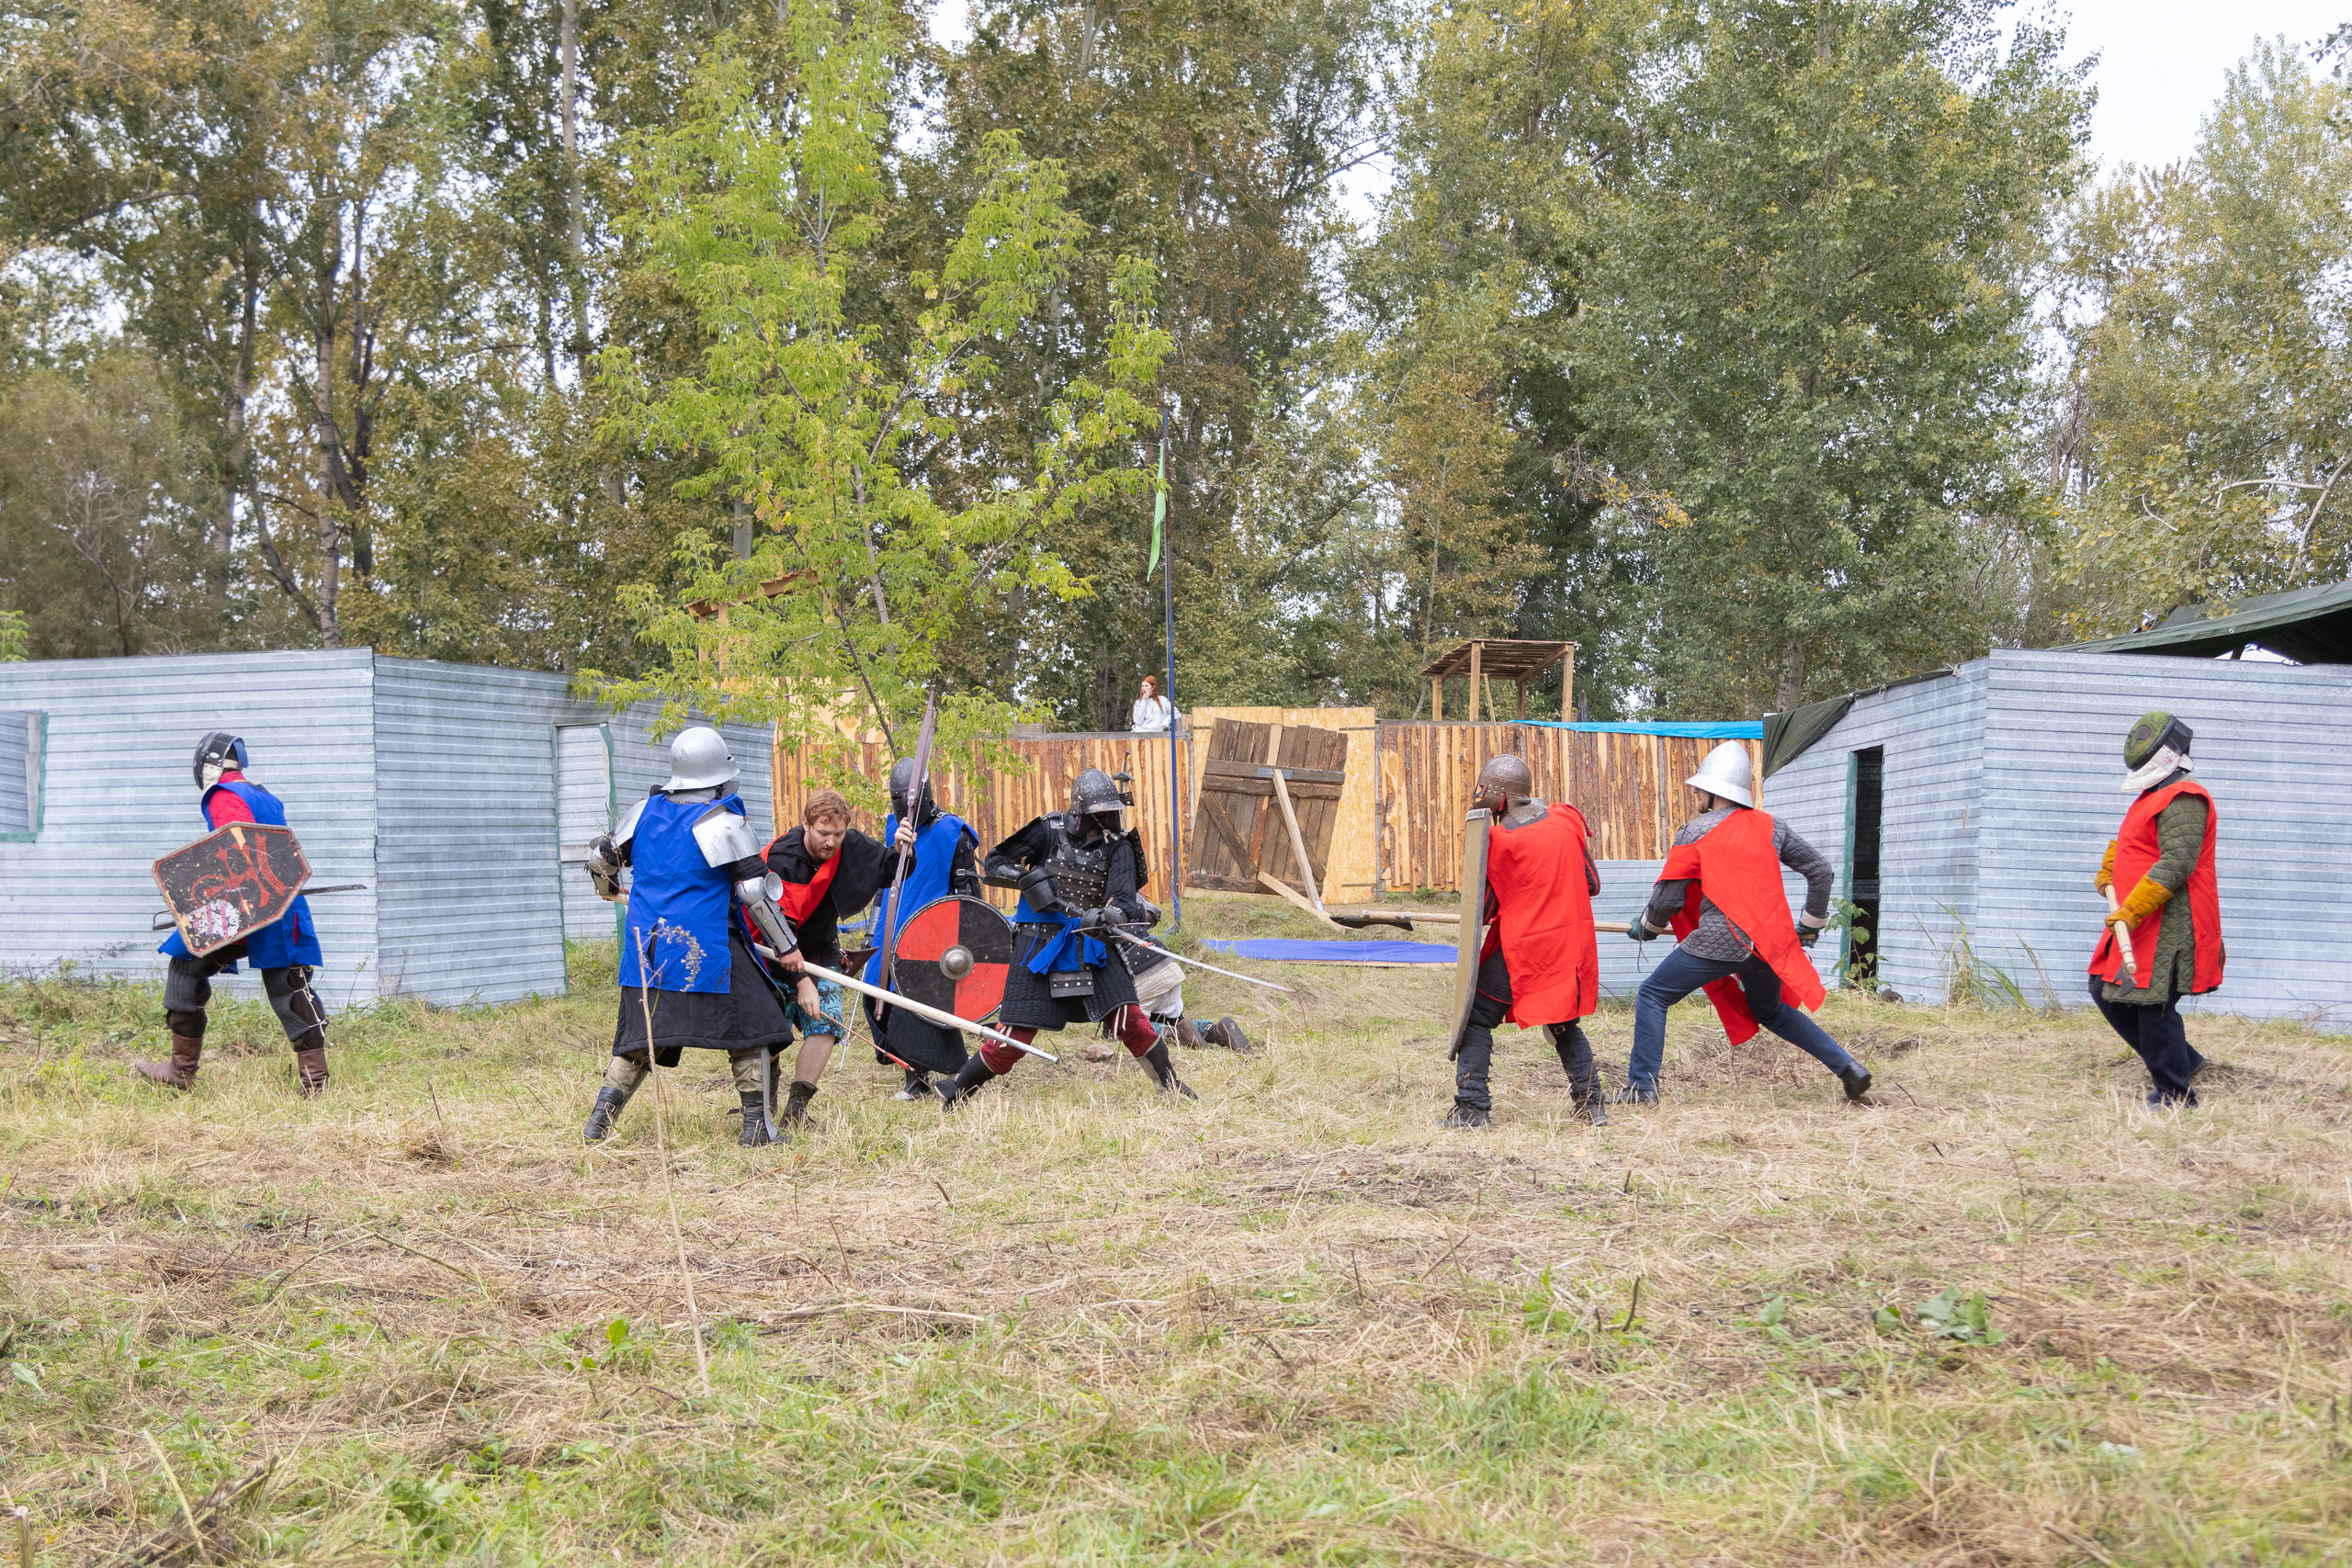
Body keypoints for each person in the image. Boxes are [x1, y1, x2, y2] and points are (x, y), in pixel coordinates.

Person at [579, 727, 804, 1147]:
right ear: (720, 776)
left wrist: (610, 892)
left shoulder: (644, 811)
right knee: (757, 1023)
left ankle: (598, 1126)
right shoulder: (719, 821)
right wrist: (787, 948)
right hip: (706, 946)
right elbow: (754, 892)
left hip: (649, 949)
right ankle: (756, 1128)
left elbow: (600, 858)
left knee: (640, 1039)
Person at [1620, 740, 1871, 1106]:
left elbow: (1669, 899)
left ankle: (1642, 1090)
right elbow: (1821, 870)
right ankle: (1848, 1068)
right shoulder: (1772, 826)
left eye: (1699, 790)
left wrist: (1649, 926)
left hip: (1721, 939)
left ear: (1712, 791)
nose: (1697, 798)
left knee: (1653, 994)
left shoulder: (1694, 831)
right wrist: (1810, 923)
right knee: (1768, 1009)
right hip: (1766, 944)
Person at [939, 768, 1195, 1107]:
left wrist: (1108, 915)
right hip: (1037, 943)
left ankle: (1171, 1086)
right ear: (1080, 812)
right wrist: (1029, 880)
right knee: (1014, 1036)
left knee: (1130, 1018)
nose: (1108, 818)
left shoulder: (1118, 846)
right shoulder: (1048, 829)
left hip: (1091, 944)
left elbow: (1126, 901)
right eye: (1100, 813)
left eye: (1110, 811)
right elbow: (995, 863)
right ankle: (958, 1091)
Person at [135, 732, 336, 1097]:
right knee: (188, 965)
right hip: (261, 903)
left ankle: (315, 1085)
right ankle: (180, 1070)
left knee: (288, 989)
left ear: (208, 766)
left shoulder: (224, 796)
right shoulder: (263, 794)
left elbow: (241, 851)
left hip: (253, 905)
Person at [1443, 754, 1606, 1129]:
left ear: (1499, 796)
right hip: (1569, 945)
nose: (1478, 794)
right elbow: (1592, 885)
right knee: (1563, 1021)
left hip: (1527, 947)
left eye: (1483, 788)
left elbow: (1481, 913)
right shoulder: (1566, 819)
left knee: (1478, 1017)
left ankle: (1472, 1109)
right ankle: (1591, 1104)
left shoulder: (1499, 841)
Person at [2090, 711, 2223, 1109]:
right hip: (2140, 919)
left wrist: (2130, 912)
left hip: (2170, 922)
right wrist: (2110, 867)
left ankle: (2175, 1094)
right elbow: (2133, 843)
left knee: (2152, 1005)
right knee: (2105, 991)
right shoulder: (2149, 796)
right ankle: (2187, 1060)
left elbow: (2176, 863)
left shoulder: (2185, 797)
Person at [753, 788, 889, 1133]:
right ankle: (762, 1106)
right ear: (806, 825)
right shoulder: (785, 858)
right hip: (770, 950)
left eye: (838, 835)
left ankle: (796, 1110)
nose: (831, 842)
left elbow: (888, 868)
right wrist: (802, 984)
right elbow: (779, 932)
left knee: (826, 1024)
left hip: (820, 948)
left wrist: (904, 848)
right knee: (768, 1031)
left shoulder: (847, 844)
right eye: (823, 833)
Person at [862, 757, 985, 1100]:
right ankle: (912, 1067)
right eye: (898, 799)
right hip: (892, 928)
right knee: (875, 993)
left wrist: (970, 941)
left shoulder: (953, 832)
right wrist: (873, 930)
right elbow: (883, 885)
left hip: (934, 934)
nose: (903, 807)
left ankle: (923, 1077)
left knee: (914, 1005)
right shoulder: (894, 827)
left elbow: (969, 897)